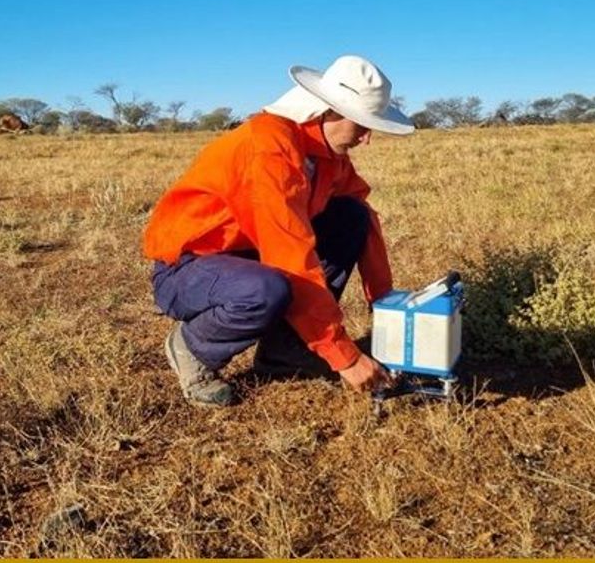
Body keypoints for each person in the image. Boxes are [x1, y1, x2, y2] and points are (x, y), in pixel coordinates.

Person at [142, 55, 415, 406]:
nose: (367, 139)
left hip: (250, 255)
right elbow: (290, 256)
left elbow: (362, 217)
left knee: (350, 216)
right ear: (328, 111)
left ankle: (284, 351)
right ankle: (191, 348)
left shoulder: (327, 155)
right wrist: (344, 357)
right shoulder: (269, 148)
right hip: (188, 268)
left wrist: (384, 302)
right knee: (265, 290)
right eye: (361, 125)